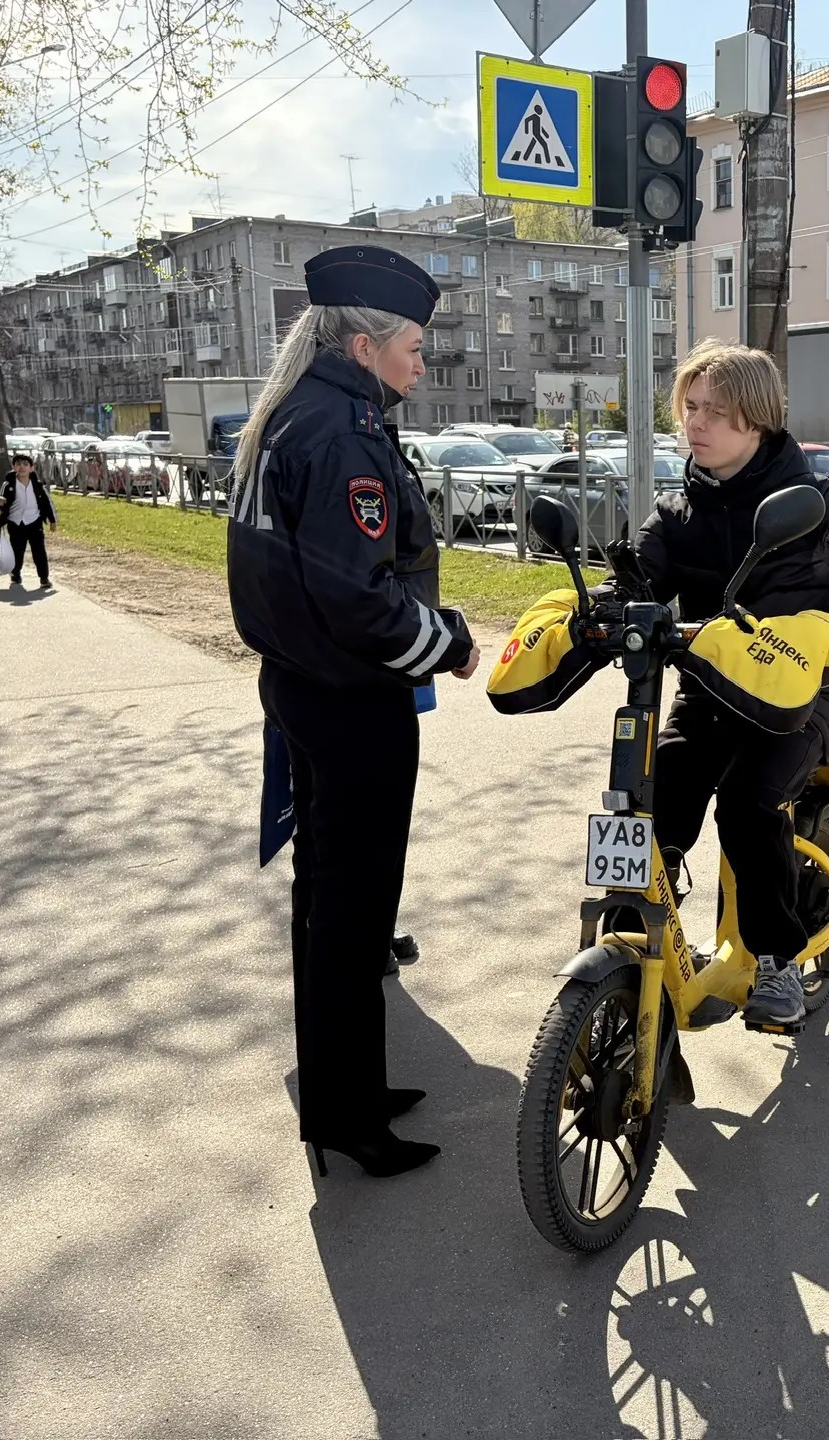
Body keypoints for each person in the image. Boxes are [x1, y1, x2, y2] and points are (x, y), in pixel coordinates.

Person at [227, 244, 478, 1180]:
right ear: (366, 346)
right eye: (414, 346)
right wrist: (448, 644)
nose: (423, 363)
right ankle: (347, 1117)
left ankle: (346, 1090)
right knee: (352, 909)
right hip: (349, 699)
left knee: (331, 903)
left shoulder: (303, 413)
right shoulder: (339, 432)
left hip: (305, 686)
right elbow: (356, 598)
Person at [624, 340, 829, 1028]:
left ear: (757, 421)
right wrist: (605, 613)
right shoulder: (678, 512)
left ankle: (777, 960)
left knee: (747, 805)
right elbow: (636, 581)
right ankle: (635, 946)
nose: (696, 422)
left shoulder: (819, 506)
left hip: (797, 698)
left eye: (715, 411)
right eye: (690, 407)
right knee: (652, 799)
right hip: (710, 690)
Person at [0, 452, 57, 588]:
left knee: (39, 551)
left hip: (34, 521)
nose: (21, 467)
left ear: (31, 468)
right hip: (16, 522)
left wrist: (52, 520)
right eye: (18, 464)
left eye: (25, 464)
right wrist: (0, 501)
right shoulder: (8, 483)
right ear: (13, 467)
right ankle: (15, 575)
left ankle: (44, 578)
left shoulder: (37, 485)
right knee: (17, 550)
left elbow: (46, 503)